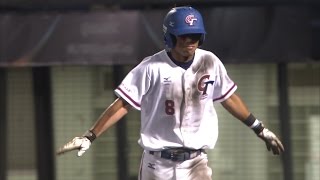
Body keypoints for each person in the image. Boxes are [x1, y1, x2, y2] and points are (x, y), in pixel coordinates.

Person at [57, 6, 284, 180]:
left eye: (195, 35)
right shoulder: (150, 67)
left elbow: (229, 97)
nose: (190, 41)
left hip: (197, 162)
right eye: (184, 35)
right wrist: (90, 136)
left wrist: (259, 128)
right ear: (170, 36)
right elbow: (122, 104)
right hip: (158, 165)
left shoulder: (210, 61)